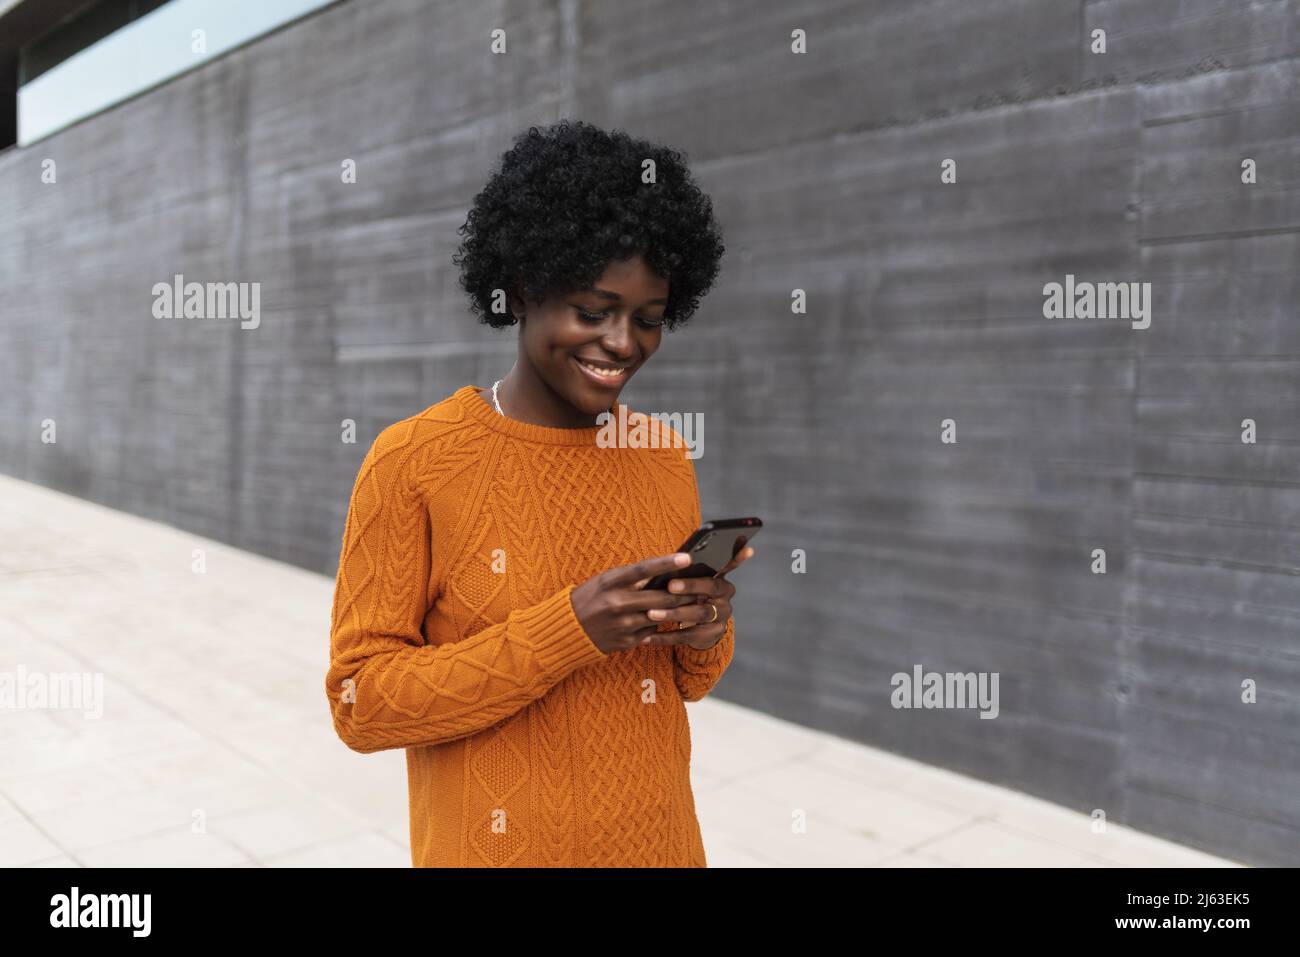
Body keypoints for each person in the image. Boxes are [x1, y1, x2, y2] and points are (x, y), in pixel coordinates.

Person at [325, 119, 752, 867]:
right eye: (593, 311)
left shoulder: (660, 453)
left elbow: (688, 684)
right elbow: (361, 703)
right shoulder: (413, 461)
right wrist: (569, 630)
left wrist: (705, 630)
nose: (622, 343)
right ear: (521, 289)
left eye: (648, 320)